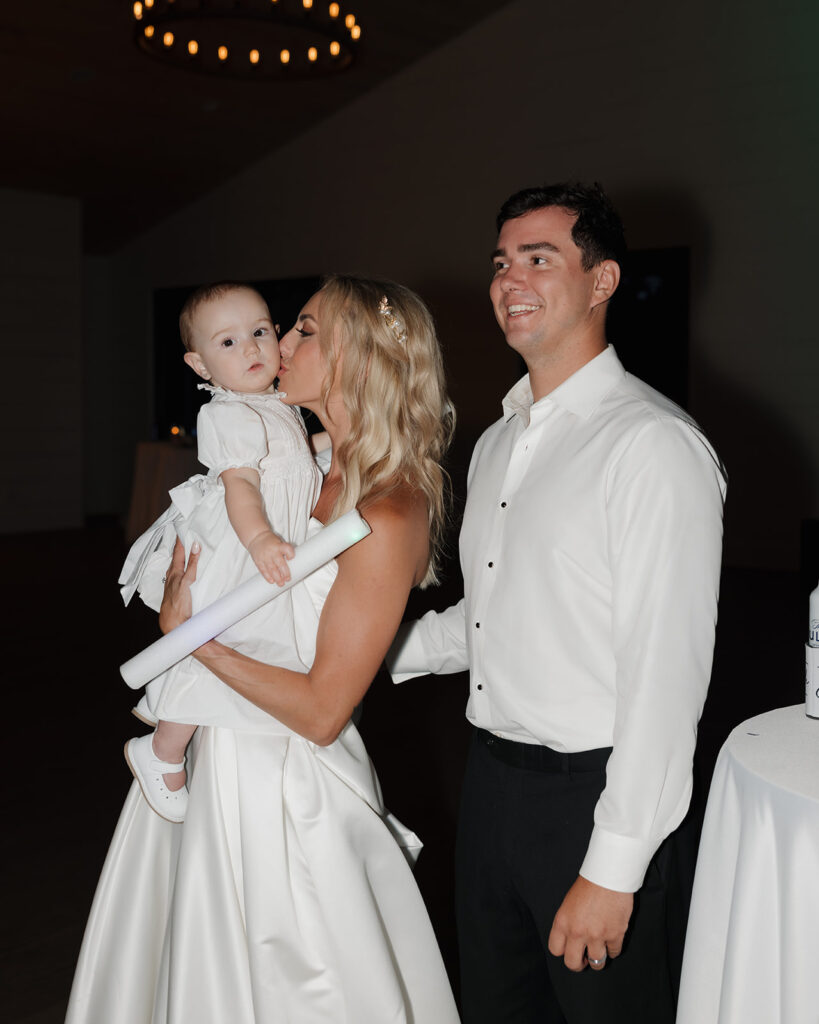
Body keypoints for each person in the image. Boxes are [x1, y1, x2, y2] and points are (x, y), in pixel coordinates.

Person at [66, 275, 461, 1024]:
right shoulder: (308, 463)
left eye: (302, 330)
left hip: (282, 777)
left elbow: (318, 712)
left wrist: (194, 642)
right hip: (219, 745)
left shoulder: (387, 504)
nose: (277, 345)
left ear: (354, 358)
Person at [387, 182, 727, 1023]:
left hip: (596, 799)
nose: (509, 280)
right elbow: (490, 619)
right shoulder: (500, 439)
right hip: (490, 785)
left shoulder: (651, 446)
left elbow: (664, 677)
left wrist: (613, 867)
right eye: (501, 262)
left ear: (602, 281)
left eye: (539, 258)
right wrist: (358, 655)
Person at [120, 281, 324, 823]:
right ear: (200, 364)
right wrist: (259, 539)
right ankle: (162, 749)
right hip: (241, 544)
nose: (252, 349)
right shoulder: (228, 415)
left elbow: (299, 456)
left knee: (246, 643)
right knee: (224, 637)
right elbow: (241, 486)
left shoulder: (274, 404)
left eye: (259, 332)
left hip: (263, 539)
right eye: (228, 343)